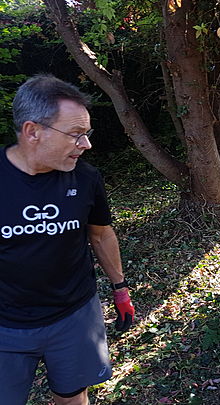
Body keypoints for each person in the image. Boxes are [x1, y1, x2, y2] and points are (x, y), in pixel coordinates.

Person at [0, 74, 135, 405]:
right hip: (6, 326)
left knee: (73, 397)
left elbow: (101, 234)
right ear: (33, 132)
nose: (86, 145)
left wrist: (120, 289)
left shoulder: (86, 178)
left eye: (86, 134)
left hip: (75, 317)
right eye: (76, 134)